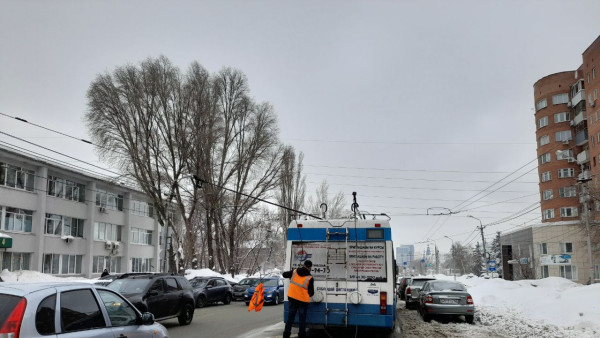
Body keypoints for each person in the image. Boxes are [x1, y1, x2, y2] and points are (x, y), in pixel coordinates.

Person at [282, 260, 314, 338]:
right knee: (302, 320)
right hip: (303, 301)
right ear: (310, 267)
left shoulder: (295, 271)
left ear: (304, 265)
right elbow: (311, 293)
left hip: (292, 299)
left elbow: (284, 274)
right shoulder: (310, 278)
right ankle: (302, 335)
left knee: (290, 318)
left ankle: (286, 334)